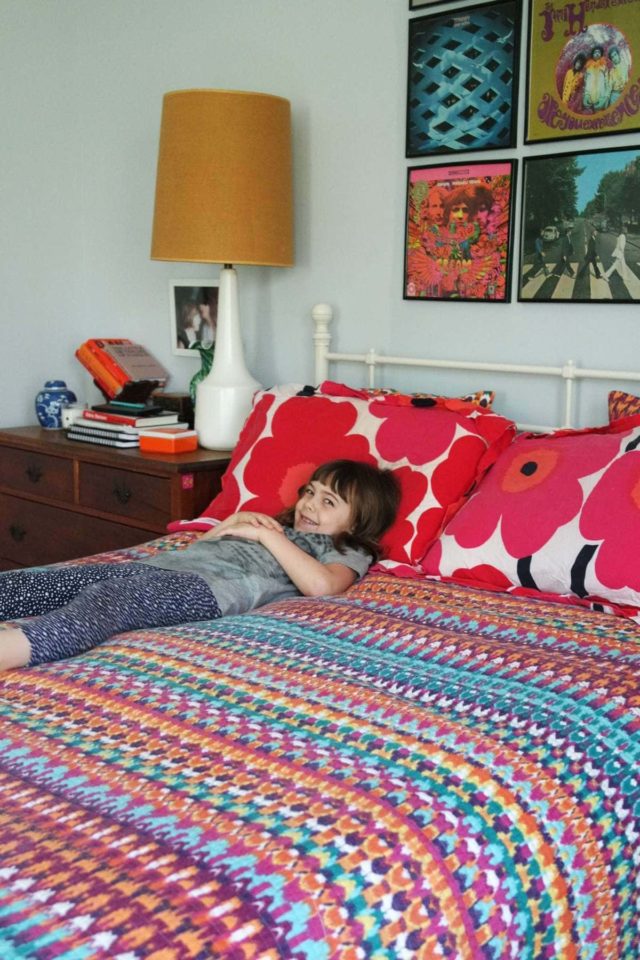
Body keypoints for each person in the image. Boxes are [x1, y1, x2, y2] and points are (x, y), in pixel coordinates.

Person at [0, 460, 400, 671]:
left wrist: (267, 536)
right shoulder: (276, 524)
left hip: (209, 591)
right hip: (167, 568)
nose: (310, 505)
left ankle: (16, 647)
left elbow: (323, 587)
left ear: (359, 519)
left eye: (328, 502)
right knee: (50, 582)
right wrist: (230, 526)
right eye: (310, 493)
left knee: (109, 600)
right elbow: (198, 550)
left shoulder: (349, 547)